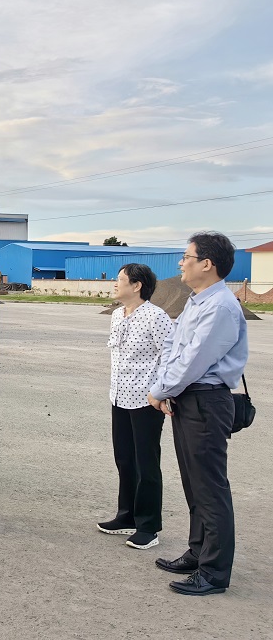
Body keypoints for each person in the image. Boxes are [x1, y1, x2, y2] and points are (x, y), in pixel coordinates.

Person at [149, 232, 248, 596]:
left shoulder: (220, 306)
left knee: (210, 487)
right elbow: (173, 347)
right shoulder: (197, 300)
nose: (181, 263)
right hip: (188, 397)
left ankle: (214, 572)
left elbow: (194, 360)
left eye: (186, 257)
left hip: (207, 400)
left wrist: (160, 391)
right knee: (194, 483)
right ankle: (198, 551)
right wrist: (166, 388)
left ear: (207, 264)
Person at [97, 264, 173, 550]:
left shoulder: (156, 317)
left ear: (137, 285)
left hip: (146, 401)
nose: (115, 284)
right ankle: (126, 515)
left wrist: (162, 392)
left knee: (146, 464)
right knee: (125, 459)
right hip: (119, 398)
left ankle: (148, 526)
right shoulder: (118, 315)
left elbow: (171, 356)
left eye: (120, 279)